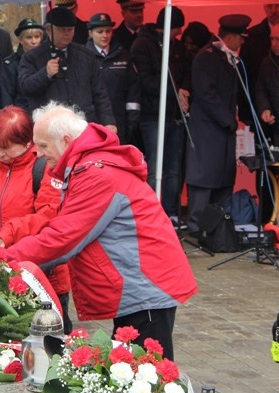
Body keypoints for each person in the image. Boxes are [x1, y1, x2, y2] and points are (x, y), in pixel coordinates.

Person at [6, 101, 198, 360]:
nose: (39, 154)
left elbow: (64, 238)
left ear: (65, 140)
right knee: (131, 372)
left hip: (146, 287)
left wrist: (5, 259)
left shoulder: (96, 173)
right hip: (141, 286)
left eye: (42, 146)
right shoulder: (89, 165)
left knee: (148, 378)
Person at [0, 105, 72, 333]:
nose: (0, 153)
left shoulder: (45, 168)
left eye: (7, 147)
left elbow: (48, 217)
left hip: (39, 275)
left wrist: (8, 233)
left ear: (27, 141)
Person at [185, 15, 251, 237]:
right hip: (207, 128)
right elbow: (206, 94)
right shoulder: (207, 57)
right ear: (230, 36)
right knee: (204, 177)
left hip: (223, 129)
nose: (242, 43)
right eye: (240, 39)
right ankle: (196, 226)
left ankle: (216, 226)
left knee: (222, 177)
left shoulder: (230, 58)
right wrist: (228, 119)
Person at [130, 5, 191, 228]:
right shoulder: (143, 44)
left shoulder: (177, 46)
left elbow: (186, 70)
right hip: (152, 116)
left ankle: (172, 212)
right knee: (155, 166)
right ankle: (150, 212)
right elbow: (146, 82)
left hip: (174, 116)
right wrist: (176, 93)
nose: (179, 34)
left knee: (174, 168)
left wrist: (184, 89)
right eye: (177, 29)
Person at [18, 6, 116, 131]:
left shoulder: (86, 55)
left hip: (84, 123)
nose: (67, 33)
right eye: (62, 29)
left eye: (70, 29)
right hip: (51, 127)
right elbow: (26, 88)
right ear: (48, 29)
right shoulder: (32, 57)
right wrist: (45, 74)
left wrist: (108, 121)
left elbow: (100, 92)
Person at [86, 12, 141, 146]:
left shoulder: (123, 55)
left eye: (108, 31)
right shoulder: (83, 56)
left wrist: (132, 117)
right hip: (92, 121)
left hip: (119, 120)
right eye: (100, 32)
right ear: (90, 33)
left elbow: (133, 87)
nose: (105, 35)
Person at [0, 18, 43, 110]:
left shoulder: (47, 61)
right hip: (21, 116)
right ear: (20, 40)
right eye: (29, 37)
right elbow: (6, 98)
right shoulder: (10, 65)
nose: (34, 42)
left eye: (37, 37)